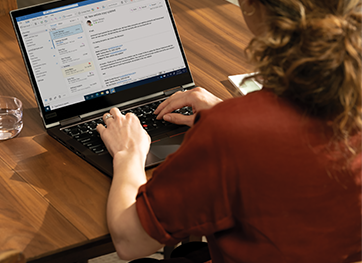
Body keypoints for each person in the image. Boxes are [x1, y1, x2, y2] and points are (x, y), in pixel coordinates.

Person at [96, 0, 362, 262]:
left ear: (250, 5)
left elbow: (130, 241)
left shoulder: (233, 132)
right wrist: (240, 117)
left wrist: (128, 151)